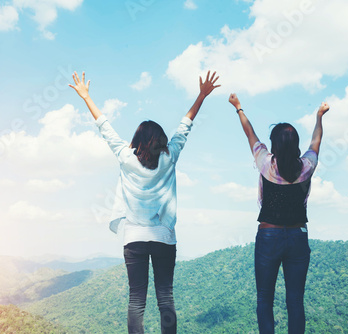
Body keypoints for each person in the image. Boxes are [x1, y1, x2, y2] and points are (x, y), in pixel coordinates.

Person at [70, 70, 220, 334]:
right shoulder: (170, 156)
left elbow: (105, 128)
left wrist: (86, 97)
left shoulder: (126, 158)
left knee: (136, 300)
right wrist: (202, 95)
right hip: (164, 237)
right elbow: (186, 125)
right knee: (166, 298)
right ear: (161, 140)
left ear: (137, 141)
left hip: (134, 238)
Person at [228, 93, 329, 334]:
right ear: (296, 145)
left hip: (268, 237)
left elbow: (250, 134)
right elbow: (316, 142)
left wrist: (239, 108)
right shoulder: (306, 167)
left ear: (273, 144)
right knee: (295, 300)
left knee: (264, 299)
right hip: (297, 236)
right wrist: (319, 117)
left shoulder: (265, 162)